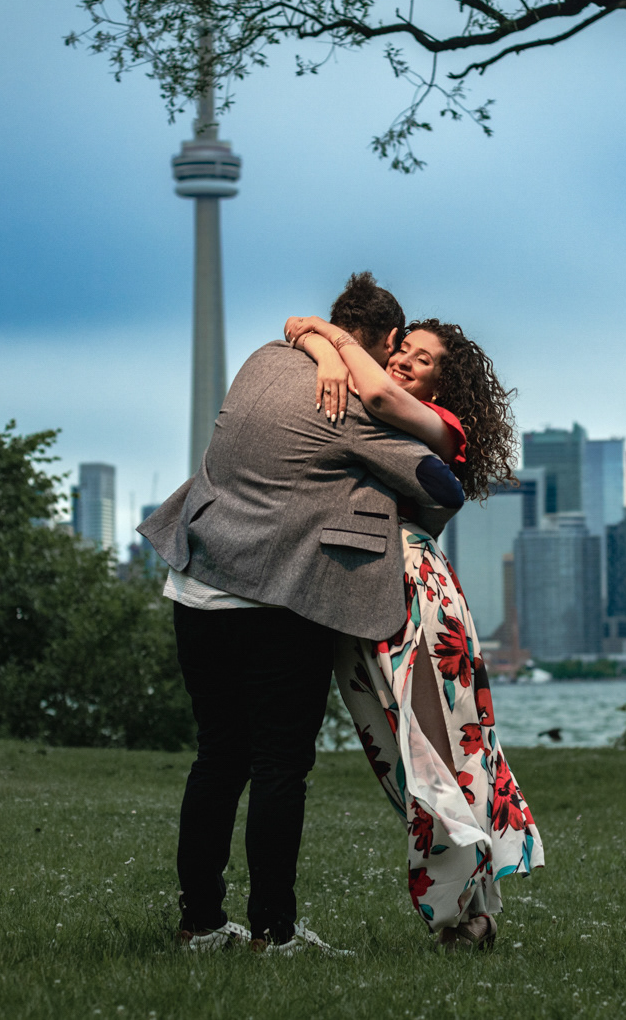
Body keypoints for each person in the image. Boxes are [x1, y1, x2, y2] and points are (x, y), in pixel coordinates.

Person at [136, 274, 466, 956]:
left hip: (194, 582)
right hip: (275, 598)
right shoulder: (352, 401)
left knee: (218, 757)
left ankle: (198, 922)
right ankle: (273, 932)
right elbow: (439, 483)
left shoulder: (262, 357)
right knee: (281, 764)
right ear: (382, 344)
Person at [284, 312, 545, 952]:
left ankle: (463, 918)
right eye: (402, 349)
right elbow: (342, 372)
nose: (402, 361)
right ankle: (473, 904)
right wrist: (312, 344)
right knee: (394, 755)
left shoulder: (439, 427)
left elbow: (375, 391)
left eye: (422, 359)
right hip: (351, 591)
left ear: (442, 384)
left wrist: (323, 334)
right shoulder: (369, 409)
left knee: (440, 745)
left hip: (413, 588)